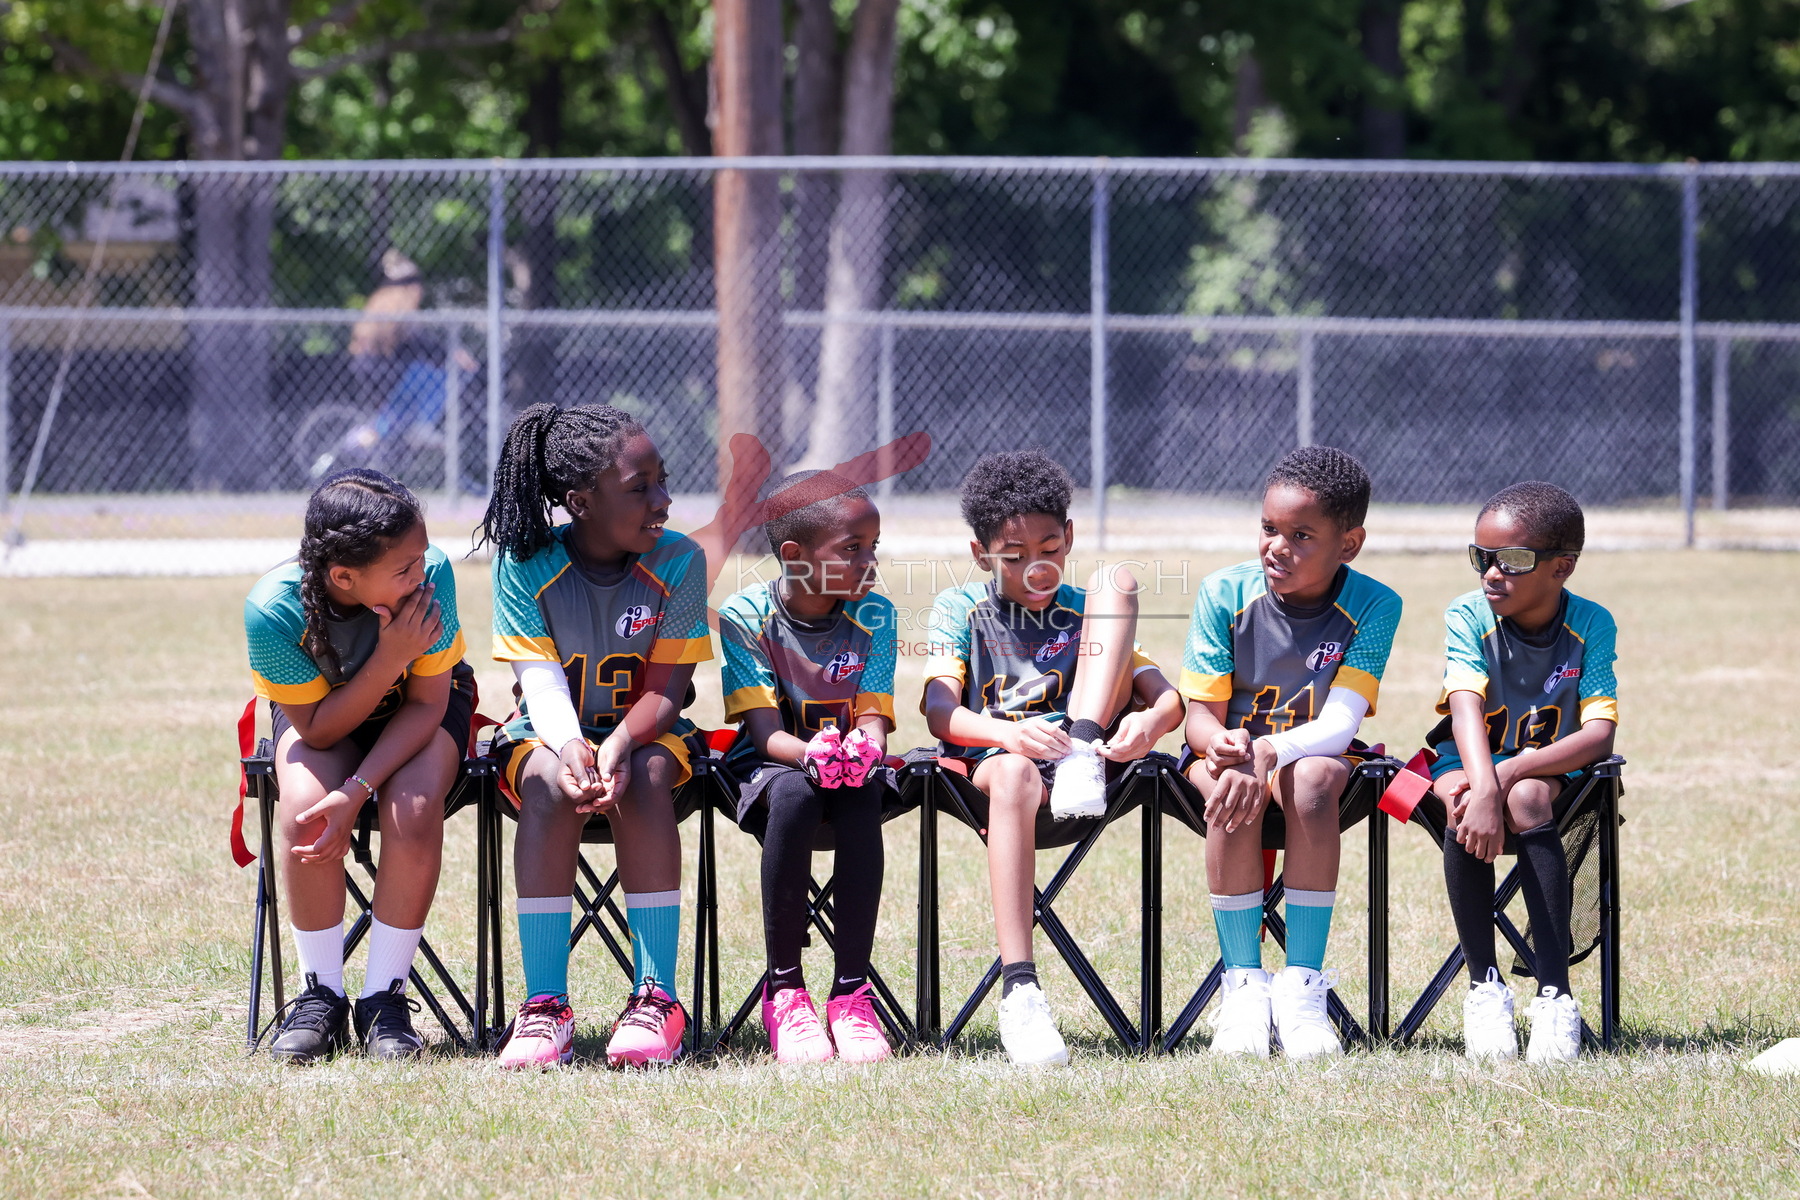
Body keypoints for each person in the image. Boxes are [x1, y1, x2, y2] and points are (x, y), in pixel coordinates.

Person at [922, 449, 1183, 1066]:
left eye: (1050, 548)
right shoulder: (961, 608)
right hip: (1001, 766)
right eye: (1013, 557)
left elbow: (1168, 699)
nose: (1036, 568)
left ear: (1069, 536)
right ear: (981, 554)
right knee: (1014, 770)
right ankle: (1021, 992)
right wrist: (1008, 736)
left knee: (1117, 581)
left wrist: (1147, 726)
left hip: (1082, 772)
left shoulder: (1085, 607)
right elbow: (940, 712)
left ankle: (1083, 744)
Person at [481, 403, 712, 1069]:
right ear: (580, 502)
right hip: (550, 734)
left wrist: (617, 745)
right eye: (640, 489)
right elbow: (540, 682)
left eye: (663, 481)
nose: (662, 501)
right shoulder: (525, 561)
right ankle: (544, 1006)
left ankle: (657, 999)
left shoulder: (680, 559)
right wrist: (572, 746)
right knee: (550, 784)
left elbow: (666, 691)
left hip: (648, 735)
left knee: (644, 774)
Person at [244, 468, 473, 1063]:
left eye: (421, 557)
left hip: (420, 709)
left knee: (413, 809)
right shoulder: (273, 610)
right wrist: (391, 654)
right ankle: (320, 994)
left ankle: (383, 999)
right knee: (304, 813)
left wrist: (358, 789)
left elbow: (425, 705)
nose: (421, 574)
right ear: (344, 576)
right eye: (404, 568)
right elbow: (318, 728)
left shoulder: (432, 576)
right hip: (327, 718)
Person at [1180, 445, 1401, 1061]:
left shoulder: (1376, 603)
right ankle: (1244, 987)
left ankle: (1302, 988)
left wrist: (1268, 751)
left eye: (1301, 536)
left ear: (1349, 545)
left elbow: (1340, 724)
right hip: (1228, 758)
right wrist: (1227, 746)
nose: (1276, 547)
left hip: (1309, 759)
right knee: (1229, 783)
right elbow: (1200, 719)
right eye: (1268, 528)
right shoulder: (1223, 592)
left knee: (1312, 778)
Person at [1430, 481, 1617, 1064]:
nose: (1492, 573)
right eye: (1482, 557)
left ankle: (1556, 997)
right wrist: (1485, 785)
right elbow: (1464, 709)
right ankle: (1485, 990)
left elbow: (1599, 735)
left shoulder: (1592, 622)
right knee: (1460, 796)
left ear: (1562, 567)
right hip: (1471, 758)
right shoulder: (1468, 614)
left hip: (1547, 766)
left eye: (1512, 560)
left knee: (1528, 796)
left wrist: (1508, 775)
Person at [717, 470, 898, 1064]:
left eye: (873, 546)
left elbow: (873, 718)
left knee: (862, 791)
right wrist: (812, 755)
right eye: (853, 549)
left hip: (847, 772)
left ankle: (851, 995)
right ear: (794, 555)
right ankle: (785, 991)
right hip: (772, 767)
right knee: (797, 791)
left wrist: (866, 746)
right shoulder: (744, 614)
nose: (869, 562)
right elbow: (766, 736)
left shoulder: (876, 614)